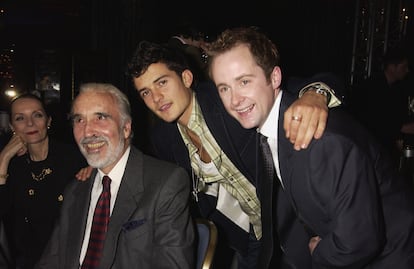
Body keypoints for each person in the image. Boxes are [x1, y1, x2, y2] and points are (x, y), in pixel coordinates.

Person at [207, 26, 414, 269]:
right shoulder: (268, 128)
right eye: (224, 88)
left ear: (274, 78)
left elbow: (359, 242)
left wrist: (319, 253)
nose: (234, 100)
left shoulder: (318, 139)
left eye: (244, 81)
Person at [126, 40, 340, 268]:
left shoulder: (222, 99)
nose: (156, 98)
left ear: (186, 78)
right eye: (146, 92)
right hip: (248, 238)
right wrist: (100, 169)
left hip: (297, 222)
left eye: (162, 83)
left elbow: (299, 84)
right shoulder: (164, 138)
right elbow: (153, 179)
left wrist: (315, 95)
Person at [35, 83, 194, 269]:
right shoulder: (75, 190)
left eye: (100, 117)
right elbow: (51, 260)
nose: (87, 132)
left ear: (126, 128)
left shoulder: (165, 183)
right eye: (79, 120)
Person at [0, 93, 89, 269]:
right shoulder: (13, 165)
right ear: (12, 126)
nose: (30, 123)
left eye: (37, 115)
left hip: (70, 258)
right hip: (27, 260)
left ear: (48, 121)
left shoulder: (74, 157)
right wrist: (3, 159)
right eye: (20, 118)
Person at [348, 46, 410, 164]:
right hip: (368, 151)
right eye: (404, 66)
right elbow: (376, 122)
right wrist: (402, 128)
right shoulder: (373, 87)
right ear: (392, 66)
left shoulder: (395, 89)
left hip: (378, 150)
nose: (407, 70)